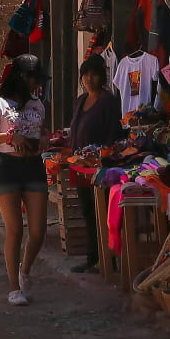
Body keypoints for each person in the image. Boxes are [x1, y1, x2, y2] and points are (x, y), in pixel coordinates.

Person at [0, 54, 49, 305]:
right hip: (6, 167)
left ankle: (25, 270)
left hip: (33, 166)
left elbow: (42, 132)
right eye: (33, 79)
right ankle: (13, 287)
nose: (36, 84)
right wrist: (8, 138)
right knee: (15, 229)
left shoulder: (38, 104)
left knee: (39, 230)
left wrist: (44, 140)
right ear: (21, 77)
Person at [66, 54, 123, 273]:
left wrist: (101, 156)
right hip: (80, 166)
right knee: (88, 211)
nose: (89, 79)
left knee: (103, 212)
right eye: (85, 75)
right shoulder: (81, 100)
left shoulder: (107, 100)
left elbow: (113, 133)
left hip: (100, 168)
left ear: (102, 77)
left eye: (94, 74)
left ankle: (109, 259)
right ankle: (93, 256)